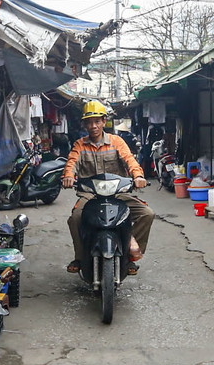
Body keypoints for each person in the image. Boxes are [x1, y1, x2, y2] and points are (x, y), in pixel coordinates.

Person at [61, 100, 152, 275]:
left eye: (97, 121)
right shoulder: (80, 144)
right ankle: (80, 257)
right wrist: (68, 177)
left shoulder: (116, 141)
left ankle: (130, 254)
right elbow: (72, 163)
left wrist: (138, 176)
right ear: (85, 124)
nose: (93, 126)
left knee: (147, 214)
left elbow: (129, 160)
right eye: (89, 122)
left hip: (118, 194)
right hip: (90, 196)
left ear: (104, 121)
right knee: (75, 219)